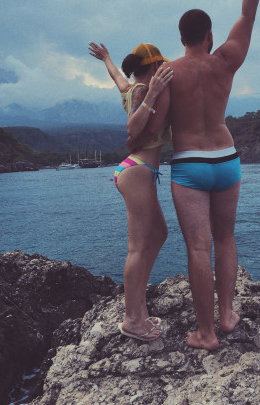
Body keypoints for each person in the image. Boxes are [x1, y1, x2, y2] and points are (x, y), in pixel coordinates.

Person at [129, 0, 260, 350]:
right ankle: (227, 316)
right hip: (227, 158)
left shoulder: (168, 72)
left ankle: (206, 333)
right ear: (209, 35)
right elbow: (248, 16)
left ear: (181, 39)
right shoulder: (226, 59)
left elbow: (153, 129)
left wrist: (140, 126)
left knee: (198, 248)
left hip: (190, 165)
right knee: (226, 239)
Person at [89, 42, 173, 341]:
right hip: (137, 170)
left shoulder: (129, 88)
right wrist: (153, 92)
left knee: (159, 233)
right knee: (137, 248)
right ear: (154, 67)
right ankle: (132, 320)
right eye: (160, 66)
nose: (164, 70)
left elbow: (116, 77)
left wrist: (106, 58)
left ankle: (138, 302)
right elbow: (132, 129)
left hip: (139, 170)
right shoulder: (141, 91)